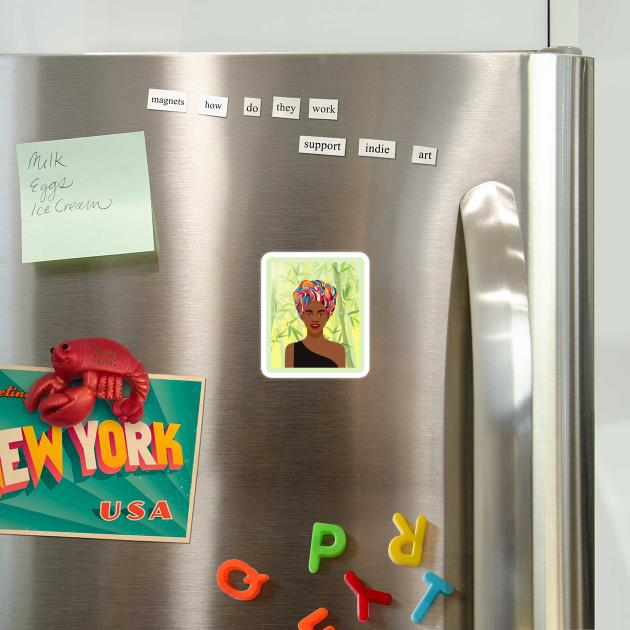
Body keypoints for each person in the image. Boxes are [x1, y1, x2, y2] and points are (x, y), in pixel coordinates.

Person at [285, 280, 346, 368]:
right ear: (301, 315)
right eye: (309, 314)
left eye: (321, 314)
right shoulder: (291, 350)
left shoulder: (338, 350)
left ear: (328, 315)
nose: (315, 319)